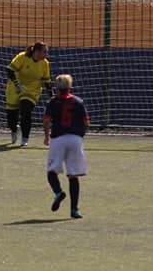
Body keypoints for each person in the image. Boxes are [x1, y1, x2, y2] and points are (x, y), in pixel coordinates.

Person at [42, 74, 88, 219]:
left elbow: (46, 120)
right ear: (70, 86)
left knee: (51, 171)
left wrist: (46, 136)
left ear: (57, 87)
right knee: (73, 175)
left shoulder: (53, 102)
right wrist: (80, 136)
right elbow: (86, 123)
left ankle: (58, 192)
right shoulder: (78, 102)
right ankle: (74, 209)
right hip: (75, 139)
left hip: (58, 138)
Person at [5, 42, 52, 146]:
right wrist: (17, 85)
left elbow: (47, 81)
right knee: (11, 115)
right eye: (44, 52)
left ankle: (25, 138)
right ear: (37, 51)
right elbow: (10, 70)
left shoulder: (45, 63)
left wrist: (51, 97)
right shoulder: (22, 57)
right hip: (15, 86)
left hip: (32, 89)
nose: (46, 54)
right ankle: (13, 130)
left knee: (25, 110)